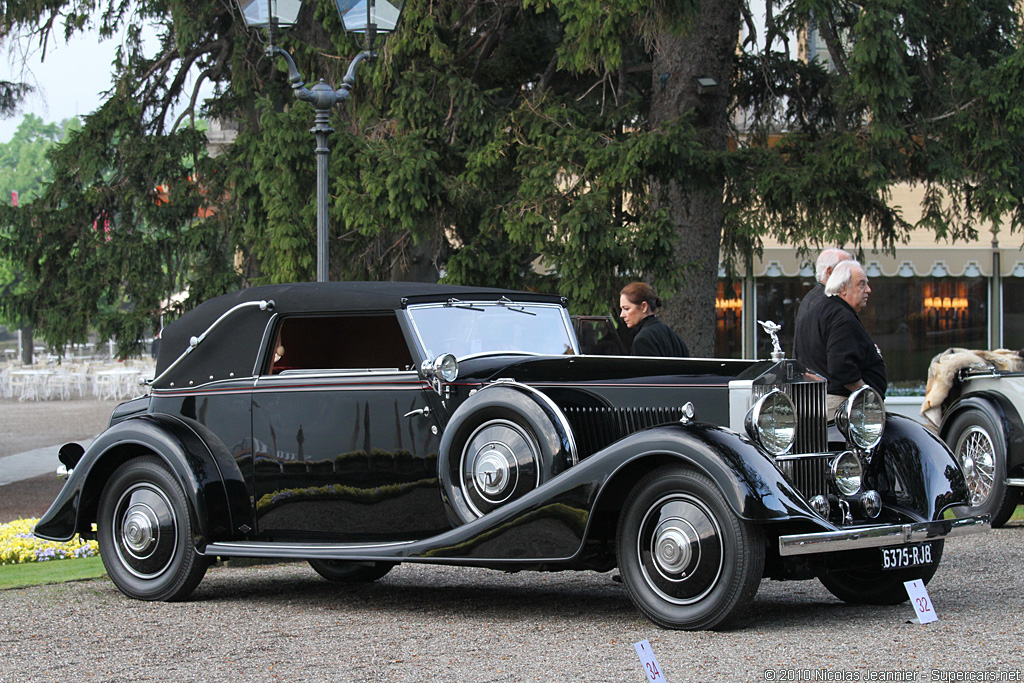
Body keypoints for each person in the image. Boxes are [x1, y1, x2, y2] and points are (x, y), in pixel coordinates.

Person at [801, 260, 887, 416]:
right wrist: (868, 398)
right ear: (843, 288)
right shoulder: (841, 317)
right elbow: (843, 369)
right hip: (841, 406)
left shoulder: (816, 313)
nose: (868, 290)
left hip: (813, 402)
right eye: (861, 284)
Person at [793, 248, 852, 360]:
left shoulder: (813, 298)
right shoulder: (828, 304)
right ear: (829, 272)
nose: (850, 277)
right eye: (846, 271)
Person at [618, 282, 690, 357]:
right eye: (621, 309)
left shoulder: (643, 339)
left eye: (626, 309)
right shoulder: (672, 336)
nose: (621, 315)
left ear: (644, 306)